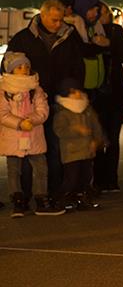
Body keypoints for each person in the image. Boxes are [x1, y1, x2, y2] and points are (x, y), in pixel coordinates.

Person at [6, 0, 85, 195]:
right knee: (26, 151)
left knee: (55, 149)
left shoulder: (70, 37)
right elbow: (8, 68)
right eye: (54, 20)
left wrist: (74, 92)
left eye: (60, 20)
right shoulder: (23, 38)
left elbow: (78, 68)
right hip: (29, 104)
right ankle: (23, 194)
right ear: (42, 16)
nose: (58, 24)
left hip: (60, 102)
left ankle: (51, 192)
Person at [0, 52, 64, 216]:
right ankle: (18, 200)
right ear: (11, 71)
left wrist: (33, 120)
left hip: (34, 135)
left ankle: (41, 198)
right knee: (13, 170)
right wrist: (20, 123)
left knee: (41, 168)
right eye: (19, 67)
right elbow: (2, 113)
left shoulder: (36, 89)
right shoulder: (4, 90)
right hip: (13, 137)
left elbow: (43, 110)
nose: (24, 70)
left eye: (27, 67)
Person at [93, 2, 123, 193]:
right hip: (97, 93)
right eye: (100, 12)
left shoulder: (116, 31)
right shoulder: (89, 31)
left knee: (113, 138)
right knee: (99, 138)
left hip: (115, 91)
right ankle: (99, 179)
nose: (104, 15)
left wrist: (110, 45)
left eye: (106, 12)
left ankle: (111, 179)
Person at [52, 78, 103, 211]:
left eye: (78, 90)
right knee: (71, 178)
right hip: (71, 152)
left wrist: (97, 140)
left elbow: (96, 126)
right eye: (73, 92)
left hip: (87, 150)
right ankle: (63, 199)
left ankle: (83, 199)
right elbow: (60, 131)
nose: (77, 94)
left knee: (86, 177)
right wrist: (75, 129)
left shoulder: (87, 108)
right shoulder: (62, 112)